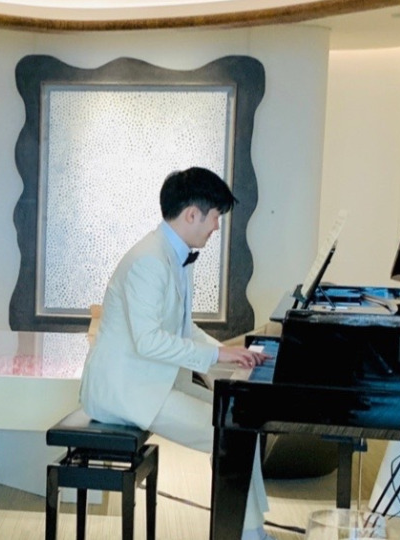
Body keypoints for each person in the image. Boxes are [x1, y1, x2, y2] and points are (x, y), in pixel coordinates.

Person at [79, 166, 274, 540]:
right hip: (126, 390)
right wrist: (218, 358)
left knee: (241, 422)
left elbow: (184, 330)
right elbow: (149, 341)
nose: (216, 226)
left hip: (154, 379)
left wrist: (228, 352)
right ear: (192, 214)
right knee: (231, 436)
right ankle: (248, 534)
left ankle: (252, 529)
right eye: (215, 216)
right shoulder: (150, 260)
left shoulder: (173, 254)